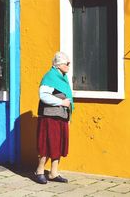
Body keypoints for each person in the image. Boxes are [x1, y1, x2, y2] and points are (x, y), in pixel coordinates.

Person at [35, 51, 74, 184]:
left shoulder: (62, 77)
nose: (68, 65)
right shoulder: (50, 77)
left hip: (61, 117)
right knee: (46, 144)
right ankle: (39, 171)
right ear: (58, 65)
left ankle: (53, 173)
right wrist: (62, 103)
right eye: (66, 63)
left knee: (58, 144)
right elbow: (43, 95)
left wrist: (68, 117)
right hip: (49, 117)